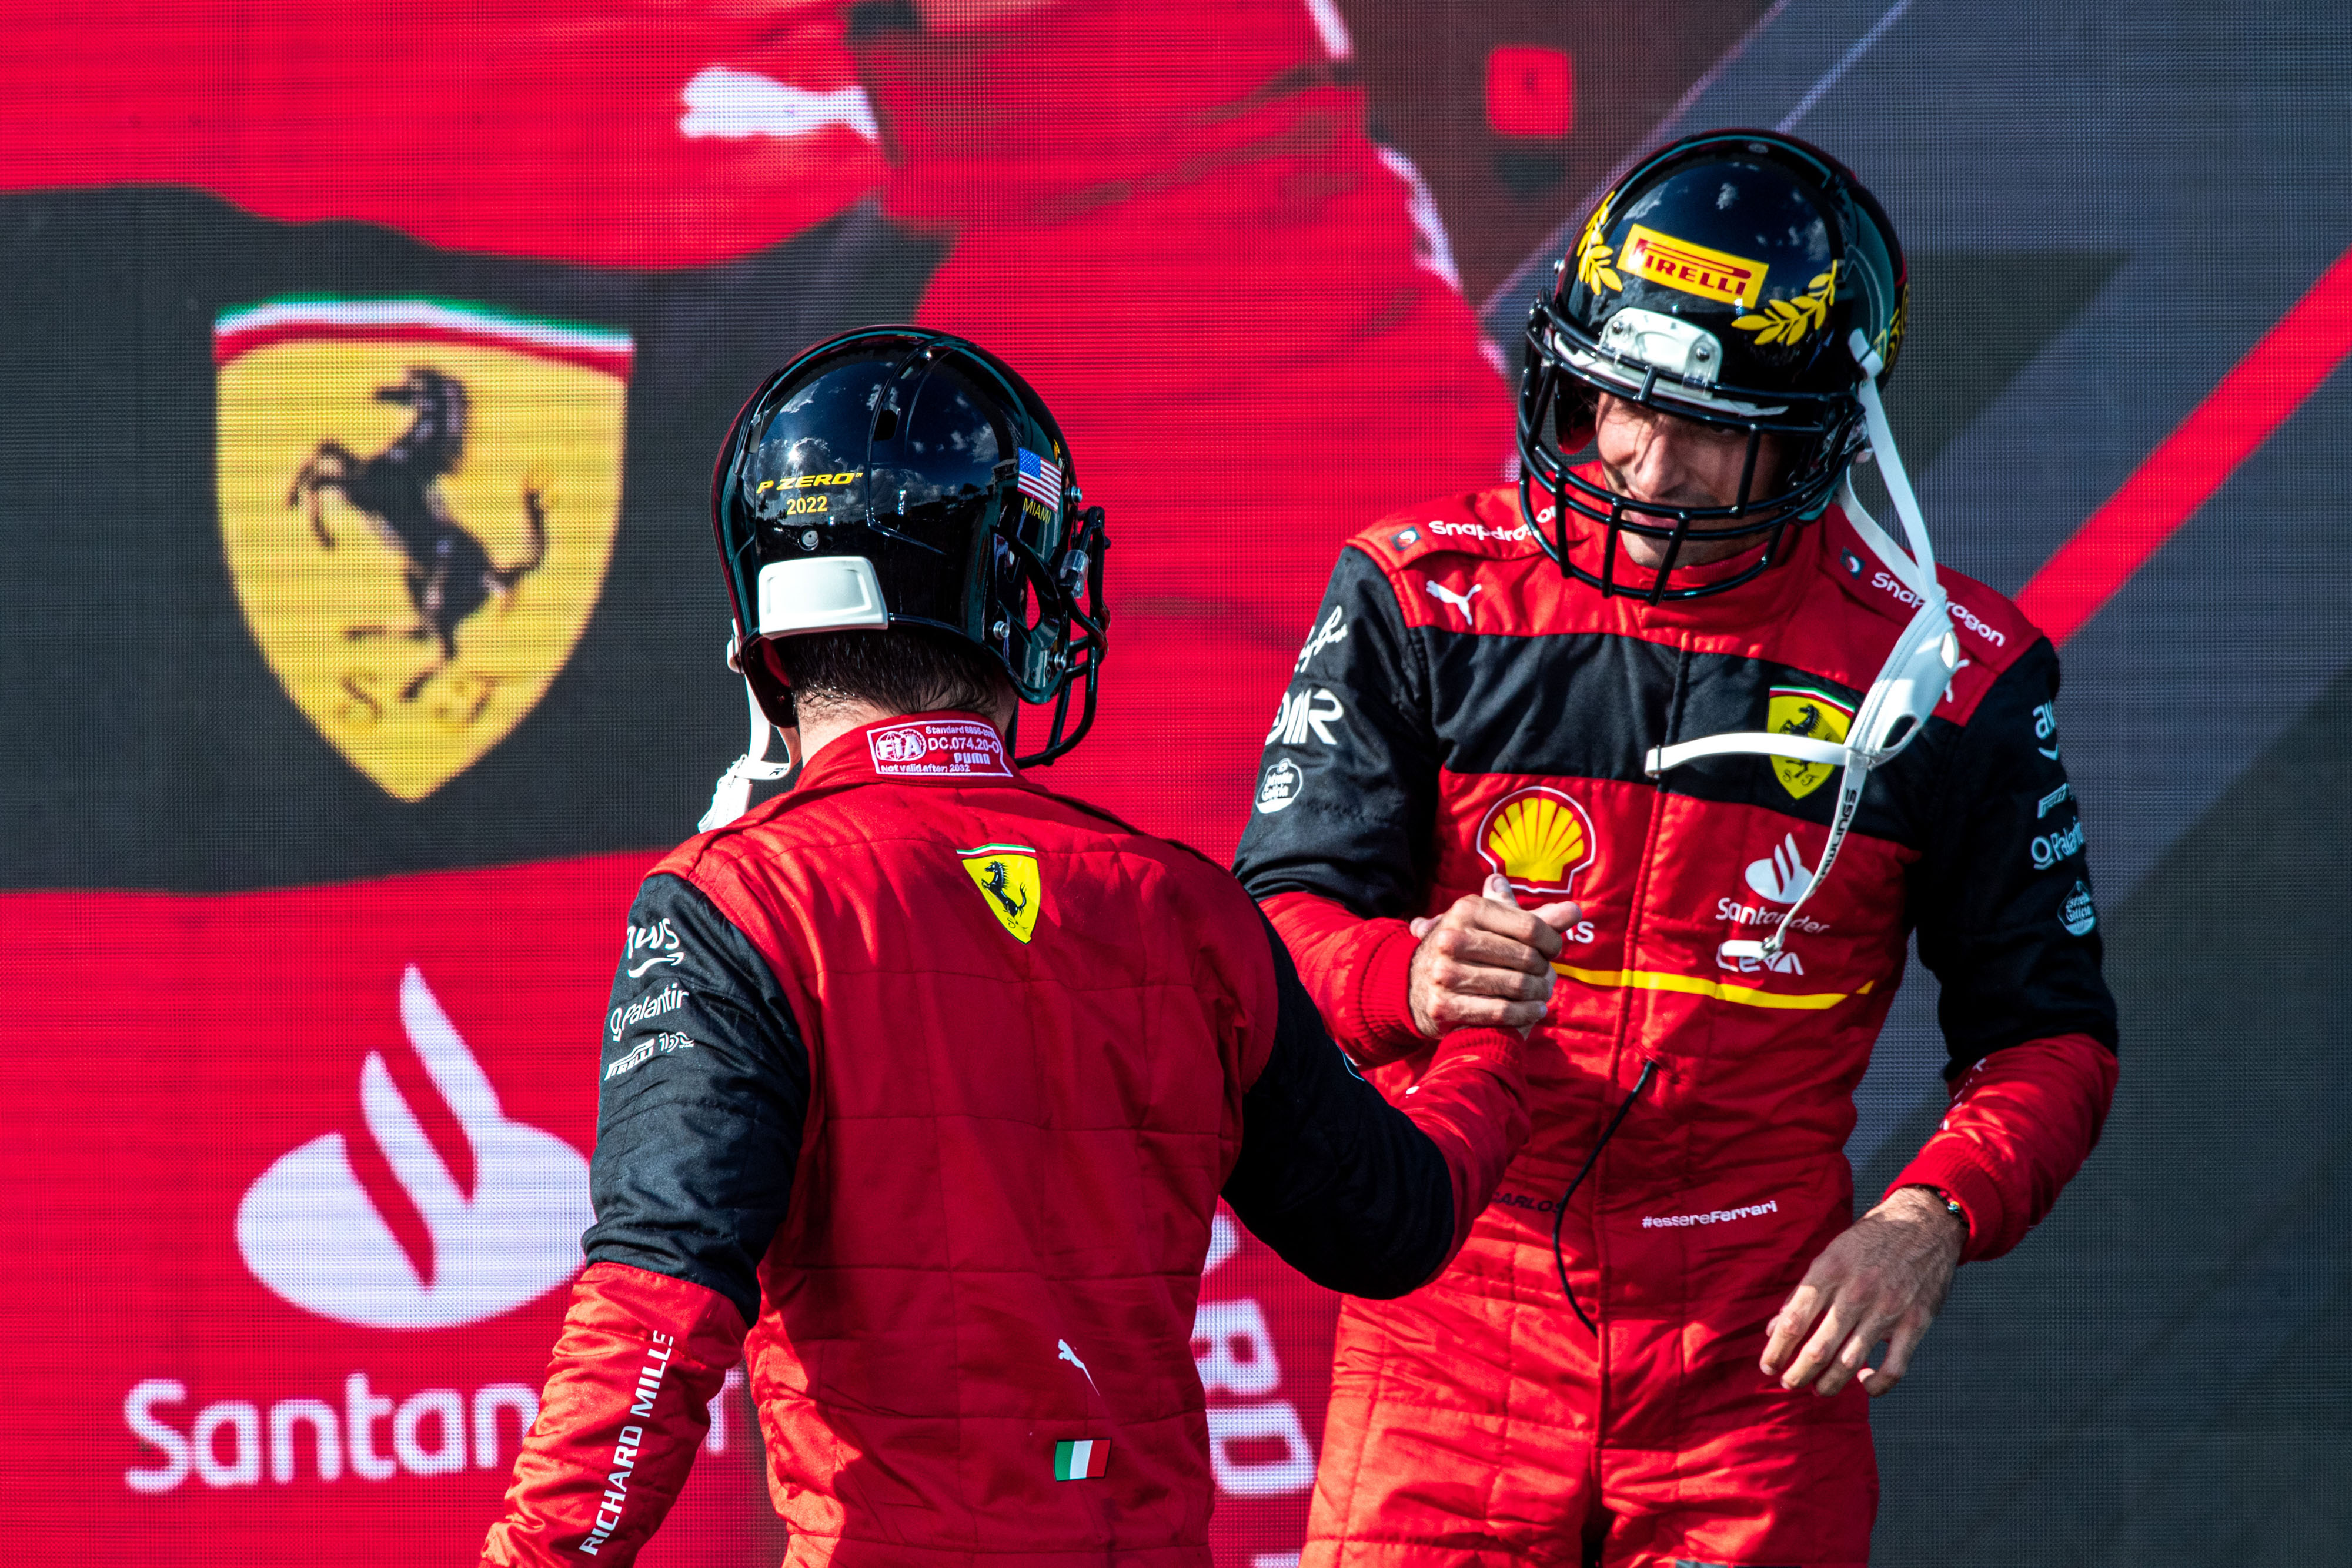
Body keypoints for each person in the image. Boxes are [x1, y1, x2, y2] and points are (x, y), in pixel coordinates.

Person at [479, 326, 1548, 1566]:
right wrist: (1494, 1032)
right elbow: (1393, 1222)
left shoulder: (737, 899)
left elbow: (655, 1310)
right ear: (1022, 595)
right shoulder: (1185, 905)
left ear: (765, 615)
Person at [1232, 131, 2119, 1567]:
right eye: (1610, 405)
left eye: (1706, 428)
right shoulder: (1423, 592)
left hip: (1753, 1370)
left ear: (1823, 429)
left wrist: (1929, 1214)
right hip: (1445, 1336)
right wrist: (1406, 970)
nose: (1644, 461)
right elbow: (1275, 922)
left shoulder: (1943, 674)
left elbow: (2049, 1037)